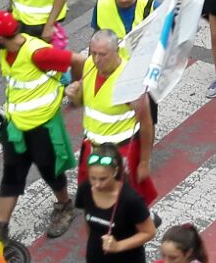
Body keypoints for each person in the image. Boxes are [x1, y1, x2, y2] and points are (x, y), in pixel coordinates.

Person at [0, 10, 76, 241]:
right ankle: (2, 225)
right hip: (16, 126)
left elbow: (77, 61)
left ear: (0, 37)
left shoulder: (38, 53)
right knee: (11, 173)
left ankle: (65, 206)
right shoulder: (5, 52)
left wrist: (76, 87)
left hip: (42, 126)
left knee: (50, 171)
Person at [66, 29, 156, 207]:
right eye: (93, 53)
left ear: (116, 51)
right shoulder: (89, 65)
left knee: (123, 204)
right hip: (92, 147)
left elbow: (146, 123)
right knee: (93, 198)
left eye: (103, 54)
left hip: (120, 151)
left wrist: (144, 162)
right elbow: (83, 102)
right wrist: (73, 95)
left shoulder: (129, 80)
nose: (97, 59)